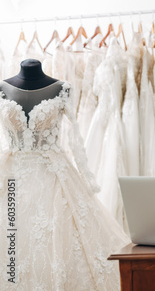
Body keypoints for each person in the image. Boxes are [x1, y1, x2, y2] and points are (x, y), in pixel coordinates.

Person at [0, 59, 129, 290]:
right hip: (11, 179)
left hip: (53, 176)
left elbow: (75, 140)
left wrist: (86, 177)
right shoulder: (2, 88)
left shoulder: (63, 88)